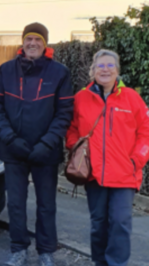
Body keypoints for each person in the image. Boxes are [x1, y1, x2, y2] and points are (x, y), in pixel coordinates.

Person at [0, 23, 74, 266]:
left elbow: (64, 112)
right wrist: (10, 139)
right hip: (14, 151)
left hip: (45, 153)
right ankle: (18, 248)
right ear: (22, 42)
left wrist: (47, 143)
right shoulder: (6, 70)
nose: (32, 43)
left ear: (45, 44)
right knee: (16, 204)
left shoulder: (60, 72)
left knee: (46, 205)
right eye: (29, 39)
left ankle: (46, 251)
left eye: (38, 39)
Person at [66, 49, 149, 266]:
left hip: (125, 174)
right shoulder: (81, 98)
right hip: (94, 174)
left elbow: (146, 132)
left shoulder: (132, 98)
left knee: (121, 222)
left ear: (117, 70)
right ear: (93, 70)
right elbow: (72, 129)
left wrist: (137, 160)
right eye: (100, 65)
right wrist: (75, 149)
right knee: (99, 224)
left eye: (110, 65)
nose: (105, 69)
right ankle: (100, 262)